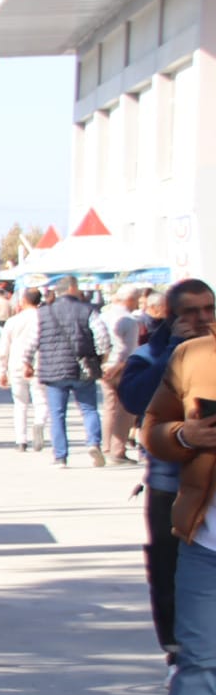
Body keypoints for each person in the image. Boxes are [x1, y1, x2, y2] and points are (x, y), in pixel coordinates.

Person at [133, 294, 216, 695]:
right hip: (205, 542)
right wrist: (185, 435)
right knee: (199, 663)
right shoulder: (195, 357)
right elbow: (152, 429)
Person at [121, 280, 216, 660]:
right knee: (169, 571)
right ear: (171, 317)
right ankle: (178, 649)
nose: (202, 319)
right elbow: (134, 398)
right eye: (190, 312)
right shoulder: (149, 355)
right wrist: (176, 353)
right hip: (170, 483)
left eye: (209, 309)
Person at [29, 276, 111, 467]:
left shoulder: (44, 313)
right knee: (89, 409)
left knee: (57, 414)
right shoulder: (88, 310)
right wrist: (101, 359)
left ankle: (60, 456)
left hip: (53, 370)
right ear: (73, 288)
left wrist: (27, 361)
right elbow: (103, 338)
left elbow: (33, 340)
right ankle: (93, 442)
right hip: (82, 367)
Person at [0, 288, 48, 452]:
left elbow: (4, 347)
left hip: (16, 364)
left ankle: (21, 440)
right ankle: (39, 423)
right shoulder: (44, 319)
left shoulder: (13, 321)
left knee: (20, 403)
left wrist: (2, 371)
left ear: (23, 301)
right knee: (41, 400)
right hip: (39, 363)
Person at [102, 284, 146, 464]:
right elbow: (128, 349)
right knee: (125, 410)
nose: (137, 303)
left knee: (109, 407)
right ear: (130, 299)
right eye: (136, 299)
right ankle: (117, 450)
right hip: (122, 368)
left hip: (104, 367)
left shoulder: (104, 316)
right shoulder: (128, 320)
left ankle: (105, 446)